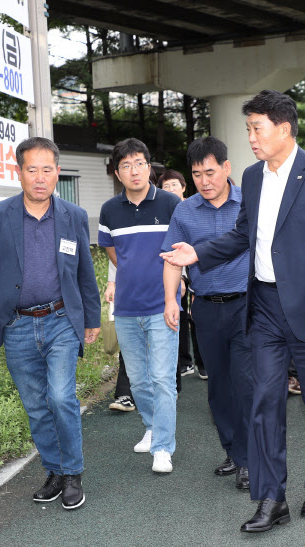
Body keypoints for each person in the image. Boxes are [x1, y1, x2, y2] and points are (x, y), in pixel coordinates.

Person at [161, 90, 305, 533]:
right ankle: (270, 497)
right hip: (262, 305)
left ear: (283, 129)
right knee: (264, 400)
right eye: (247, 128)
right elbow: (242, 236)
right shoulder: (254, 177)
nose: (250, 137)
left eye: (256, 128)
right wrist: (197, 253)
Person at [0, 136, 101, 511]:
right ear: (20, 173)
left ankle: (73, 472)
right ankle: (55, 470)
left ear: (58, 172)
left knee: (60, 396)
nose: (40, 177)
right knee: (36, 405)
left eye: (48, 169)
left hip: (61, 318)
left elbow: (84, 273)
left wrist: (90, 318)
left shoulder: (73, 216)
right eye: (32, 169)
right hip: (17, 325)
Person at [162, 136, 254, 491]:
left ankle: (248, 458)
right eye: (197, 174)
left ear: (227, 169)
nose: (205, 181)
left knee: (246, 384)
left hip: (248, 306)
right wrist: (171, 299)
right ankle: (232, 450)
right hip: (206, 310)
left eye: (211, 172)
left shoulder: (249, 202)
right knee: (218, 387)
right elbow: (172, 260)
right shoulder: (184, 211)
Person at [98, 138, 181, 474]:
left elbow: (180, 250)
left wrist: (173, 294)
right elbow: (115, 252)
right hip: (128, 308)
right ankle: (151, 426)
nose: (134, 170)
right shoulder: (110, 210)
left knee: (162, 378)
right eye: (126, 165)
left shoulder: (172, 203)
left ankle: (163, 447)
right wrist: (122, 277)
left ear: (150, 166)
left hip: (163, 304)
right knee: (139, 379)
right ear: (117, 172)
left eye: (140, 163)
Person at [157, 170, 207, 380]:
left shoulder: (192, 207)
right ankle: (185, 362)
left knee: (196, 316)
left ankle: (202, 363)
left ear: (184, 186)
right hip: (174, 269)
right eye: (165, 186)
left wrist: (185, 278)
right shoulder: (163, 209)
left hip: (194, 269)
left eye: (174, 185)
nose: (170, 189)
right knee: (181, 315)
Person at [105, 263, 135, 412]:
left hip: (158, 286)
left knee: (155, 343)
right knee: (127, 343)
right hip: (127, 288)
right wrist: (111, 283)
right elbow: (115, 249)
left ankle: (167, 387)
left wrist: (181, 277)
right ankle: (124, 394)